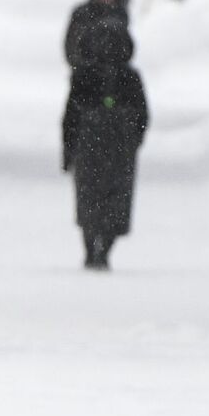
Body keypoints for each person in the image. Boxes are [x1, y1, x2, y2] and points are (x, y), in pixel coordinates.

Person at [61, 18, 149, 270]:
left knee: (92, 199)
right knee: (112, 200)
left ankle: (94, 248)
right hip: (115, 149)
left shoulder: (86, 75)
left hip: (95, 148)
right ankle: (100, 248)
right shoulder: (124, 76)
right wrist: (132, 139)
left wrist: (69, 150)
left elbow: (70, 118)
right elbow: (143, 115)